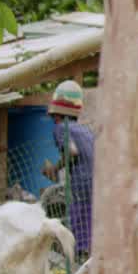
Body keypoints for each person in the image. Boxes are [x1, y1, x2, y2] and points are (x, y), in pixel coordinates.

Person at [41, 80, 95, 262]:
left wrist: (54, 168)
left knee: (77, 216)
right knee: (90, 217)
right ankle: (89, 253)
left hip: (81, 182)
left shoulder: (60, 128)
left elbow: (71, 151)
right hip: (98, 181)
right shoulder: (84, 130)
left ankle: (80, 257)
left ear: (56, 115)